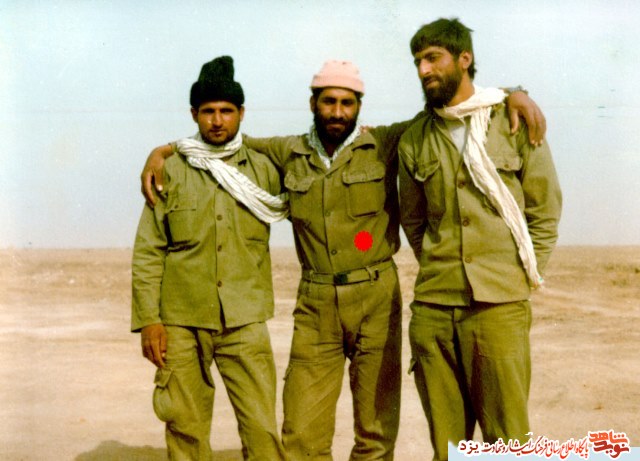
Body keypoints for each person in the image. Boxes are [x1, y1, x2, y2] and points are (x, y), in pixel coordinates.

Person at [140, 60, 546, 461]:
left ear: (359, 106)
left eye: (347, 103)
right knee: (302, 434)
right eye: (329, 101)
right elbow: (221, 145)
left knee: (375, 429)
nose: (337, 112)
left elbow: (449, 107)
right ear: (313, 103)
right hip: (316, 304)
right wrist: (165, 150)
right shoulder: (287, 151)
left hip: (375, 299)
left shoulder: (384, 142)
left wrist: (512, 93)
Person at [398, 18, 562, 461]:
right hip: (434, 310)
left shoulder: (513, 121)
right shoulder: (414, 139)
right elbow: (414, 222)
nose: (423, 70)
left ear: (464, 59)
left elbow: (544, 210)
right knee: (449, 448)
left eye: (433, 58)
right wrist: (443, 267)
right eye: (417, 62)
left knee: (507, 442)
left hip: (498, 309)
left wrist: (516, 275)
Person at [131, 55, 287, 461]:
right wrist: (149, 320)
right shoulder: (170, 171)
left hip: (245, 319)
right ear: (194, 115)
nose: (217, 121)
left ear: (241, 113)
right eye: (208, 111)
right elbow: (149, 250)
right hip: (181, 321)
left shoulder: (264, 169)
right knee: (185, 428)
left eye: (226, 111)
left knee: (262, 429)